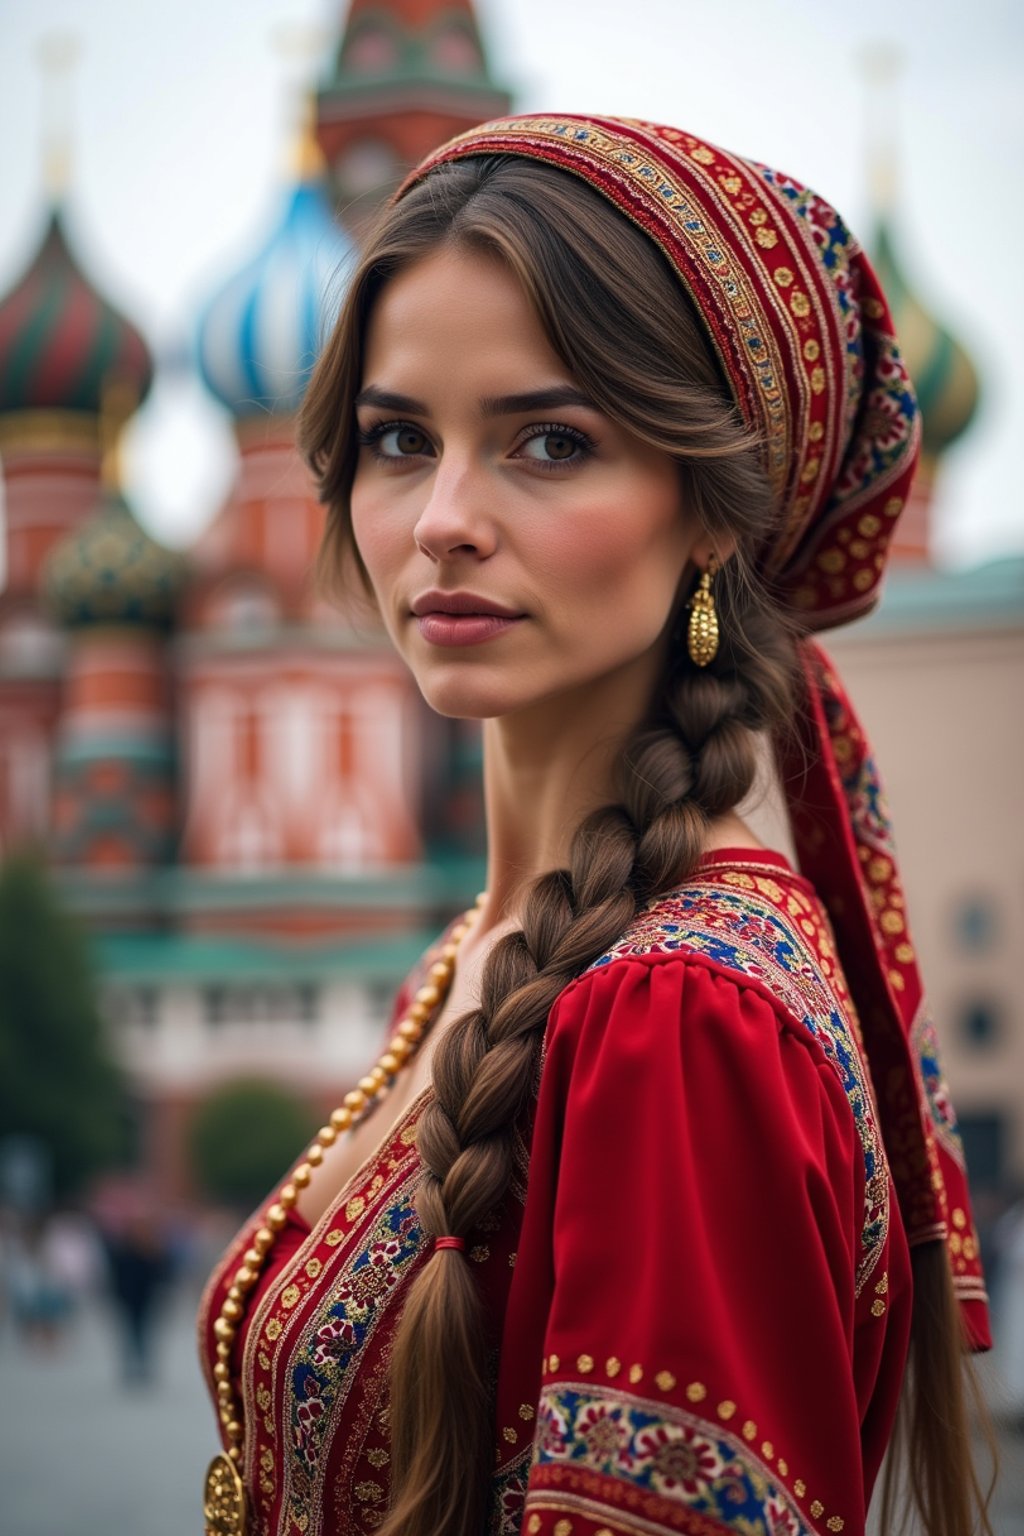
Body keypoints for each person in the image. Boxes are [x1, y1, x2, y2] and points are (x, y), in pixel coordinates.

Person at [198, 115, 994, 1536]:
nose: (441, 518)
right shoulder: (485, 951)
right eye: (397, 440)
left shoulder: (681, 1018)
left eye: (549, 441)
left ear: (706, 515)